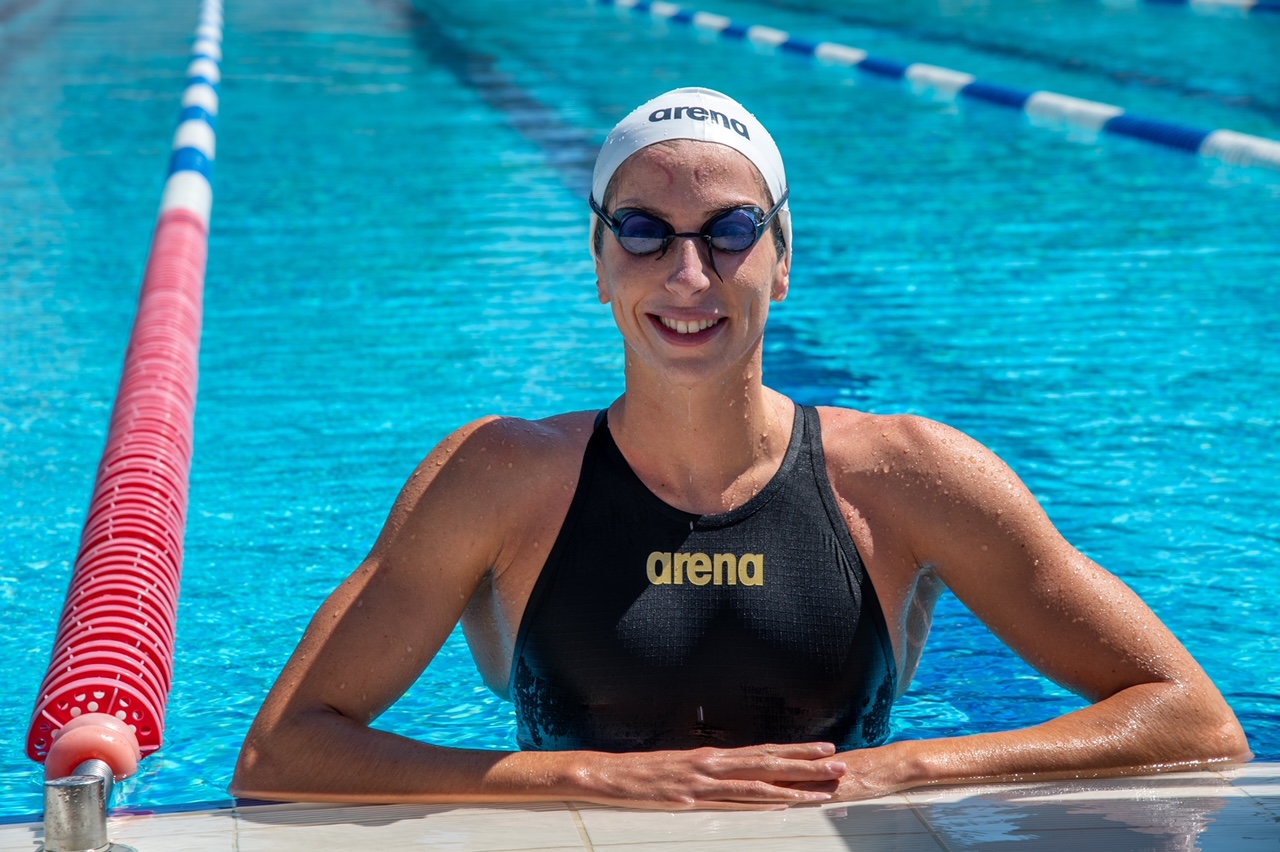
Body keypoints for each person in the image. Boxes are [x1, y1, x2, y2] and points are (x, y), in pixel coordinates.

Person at [231, 87, 1250, 810]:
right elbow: (282, 754)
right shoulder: (496, 478)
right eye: (643, 230)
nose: (687, 275)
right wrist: (589, 779)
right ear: (598, 261)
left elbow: (1192, 719)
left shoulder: (907, 476)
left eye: (729, 230)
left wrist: (898, 770)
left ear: (782, 260)